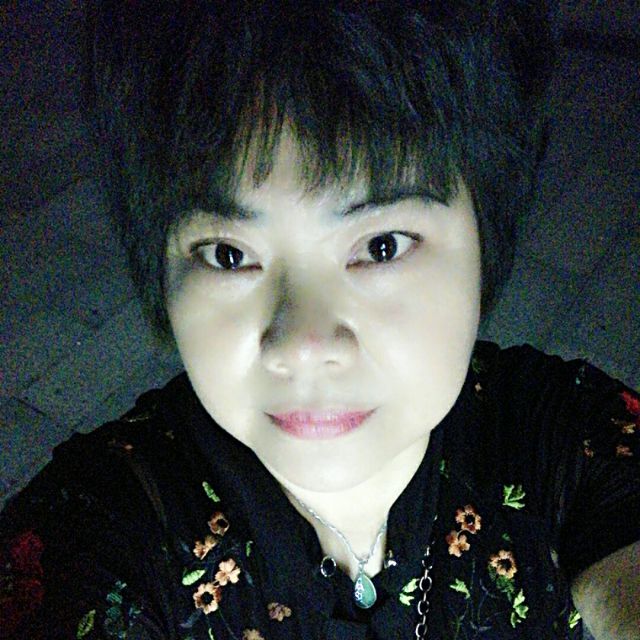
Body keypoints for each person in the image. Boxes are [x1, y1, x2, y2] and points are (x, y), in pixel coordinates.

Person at [1, 1, 638, 638]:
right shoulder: (101, 533)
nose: (302, 345)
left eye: (382, 246)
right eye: (228, 255)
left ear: (484, 243)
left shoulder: (562, 442)